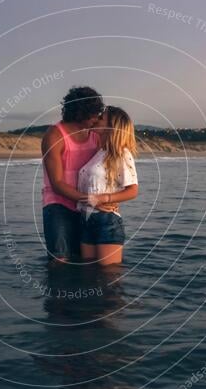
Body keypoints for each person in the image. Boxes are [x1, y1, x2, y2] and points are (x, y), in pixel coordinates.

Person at [41, 86, 113, 262]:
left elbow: (113, 162)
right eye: (94, 114)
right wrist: (91, 199)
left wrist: (110, 199)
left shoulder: (95, 134)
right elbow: (57, 183)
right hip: (59, 205)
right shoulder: (54, 136)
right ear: (81, 113)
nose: (97, 119)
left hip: (88, 206)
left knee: (87, 261)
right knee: (60, 261)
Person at [76, 106, 138, 266]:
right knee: (88, 274)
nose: (96, 118)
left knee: (108, 281)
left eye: (101, 117)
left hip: (107, 222)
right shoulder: (99, 153)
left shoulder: (121, 154)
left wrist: (105, 198)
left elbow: (132, 190)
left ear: (111, 126)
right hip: (86, 219)